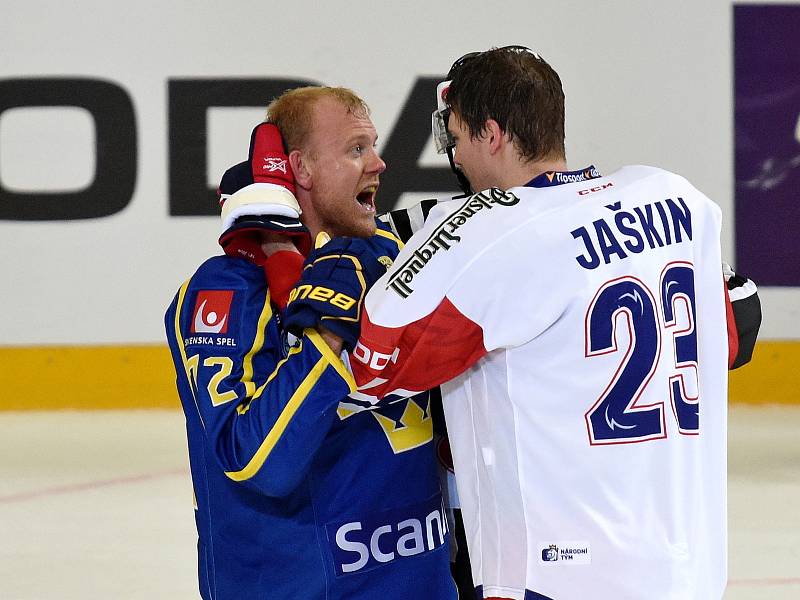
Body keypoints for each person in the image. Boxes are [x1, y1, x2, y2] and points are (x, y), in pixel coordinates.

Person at [284, 47, 757, 599]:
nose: (455, 158)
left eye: (456, 137)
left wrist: (316, 262)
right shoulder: (678, 199)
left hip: (557, 576)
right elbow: (732, 327)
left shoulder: (488, 229)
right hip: (687, 571)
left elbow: (378, 360)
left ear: (491, 134)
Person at [164, 87, 456, 599]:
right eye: (356, 149)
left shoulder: (390, 257)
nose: (380, 164)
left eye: (373, 145)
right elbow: (258, 462)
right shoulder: (225, 294)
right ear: (300, 168)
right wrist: (324, 331)